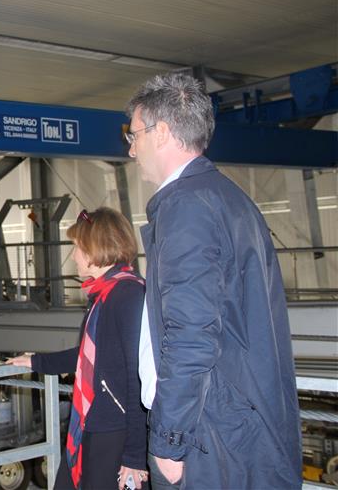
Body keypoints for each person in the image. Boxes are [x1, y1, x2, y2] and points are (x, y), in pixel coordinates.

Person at [125, 73, 302, 488]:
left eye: (134, 135)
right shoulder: (227, 197)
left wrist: (169, 440)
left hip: (209, 434)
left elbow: (191, 332)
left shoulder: (186, 207)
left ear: (161, 132)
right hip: (235, 423)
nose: (131, 149)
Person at [8, 207, 147, 490]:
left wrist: (135, 455)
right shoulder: (105, 293)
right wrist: (36, 362)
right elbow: (89, 356)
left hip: (115, 431)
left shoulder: (128, 295)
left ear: (96, 248)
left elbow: (138, 378)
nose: (73, 256)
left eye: (77, 247)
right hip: (94, 421)